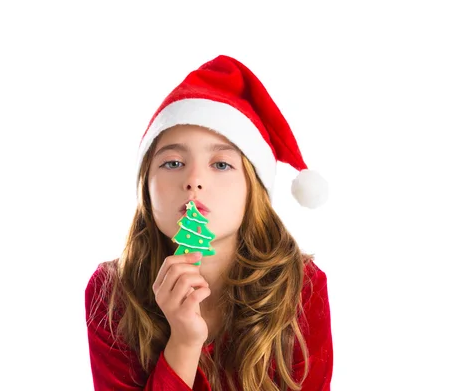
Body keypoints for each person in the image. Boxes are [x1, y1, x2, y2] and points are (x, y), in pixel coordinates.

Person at [85, 55, 333, 390]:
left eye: (220, 165)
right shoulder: (111, 292)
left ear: (254, 189)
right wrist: (184, 343)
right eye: (172, 162)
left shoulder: (302, 287)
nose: (194, 180)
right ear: (146, 188)